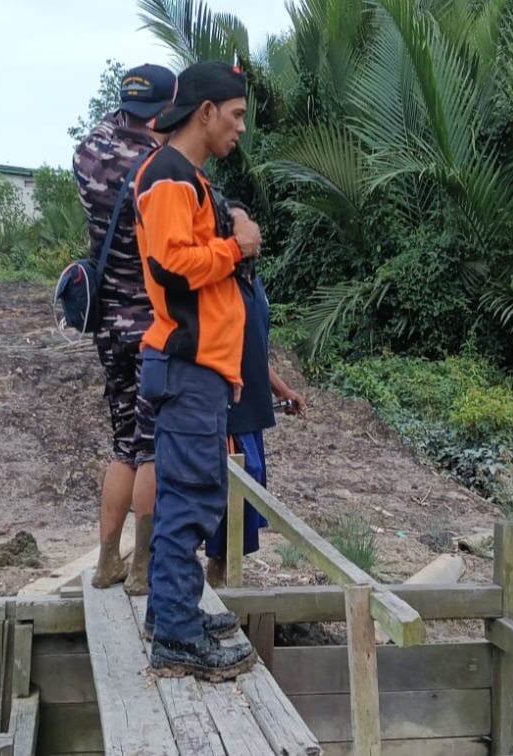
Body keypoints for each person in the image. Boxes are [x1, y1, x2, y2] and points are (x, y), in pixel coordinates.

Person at [133, 60, 260, 680]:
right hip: (187, 367)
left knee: (191, 494)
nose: (240, 129)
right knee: (190, 498)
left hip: (199, 370)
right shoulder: (169, 178)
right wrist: (237, 248)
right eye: (235, 116)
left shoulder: (191, 179)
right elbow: (172, 264)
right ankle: (178, 640)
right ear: (205, 112)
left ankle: (171, 612)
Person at [73, 63, 173, 595]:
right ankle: (142, 571)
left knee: (121, 446)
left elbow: (110, 129)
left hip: (106, 319)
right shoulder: (157, 168)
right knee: (151, 447)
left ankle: (107, 561)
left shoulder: (88, 153)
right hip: (151, 322)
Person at [202, 198, 308, 586]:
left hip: (256, 407)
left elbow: (256, 349)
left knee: (252, 490)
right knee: (232, 493)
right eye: (244, 229)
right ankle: (217, 575)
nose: (254, 237)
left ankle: (231, 575)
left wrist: (284, 390)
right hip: (230, 406)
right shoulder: (219, 283)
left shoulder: (254, 283)